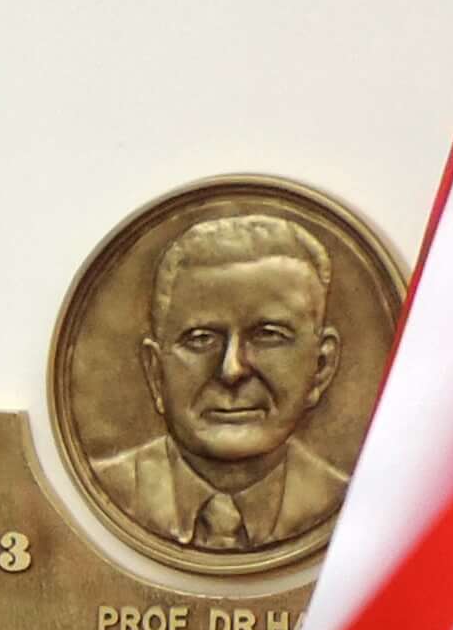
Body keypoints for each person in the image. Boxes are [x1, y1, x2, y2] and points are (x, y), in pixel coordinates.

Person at [85, 205, 356, 554]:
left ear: (321, 366)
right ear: (155, 372)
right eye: (201, 339)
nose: (231, 369)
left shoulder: (353, 504)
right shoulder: (114, 489)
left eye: (268, 335)